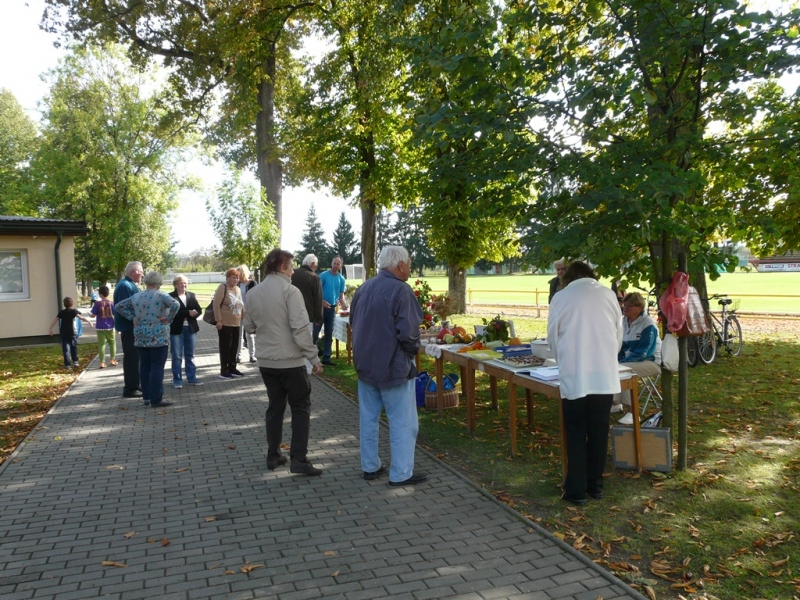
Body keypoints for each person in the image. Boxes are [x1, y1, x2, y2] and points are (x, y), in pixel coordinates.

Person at [547, 260, 623, 505]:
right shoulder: (609, 295)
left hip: (576, 374)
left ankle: (576, 490)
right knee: (599, 431)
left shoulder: (561, 297)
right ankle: (595, 485)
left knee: (576, 432)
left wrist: (565, 361)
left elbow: (553, 339)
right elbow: (618, 335)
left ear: (567, 278)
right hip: (603, 375)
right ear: (592, 275)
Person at [349, 245, 427, 486]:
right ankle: (401, 473)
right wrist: (412, 351)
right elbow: (409, 333)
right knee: (403, 422)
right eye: (409, 264)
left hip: (366, 364)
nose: (410, 268)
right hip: (393, 367)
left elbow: (353, 321)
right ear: (401, 265)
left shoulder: (364, 288)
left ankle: (370, 466)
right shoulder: (401, 291)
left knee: (369, 419)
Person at [243, 249, 324, 476]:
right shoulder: (290, 291)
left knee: (275, 407)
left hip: (267, 361)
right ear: (281, 267)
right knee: (300, 408)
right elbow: (300, 329)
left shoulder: (253, 293)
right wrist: (314, 358)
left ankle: (273, 454)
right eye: (290, 267)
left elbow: (248, 326)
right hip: (290, 361)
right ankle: (299, 458)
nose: (292, 272)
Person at [115, 271, 179, 407]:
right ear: (159, 283)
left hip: (141, 335)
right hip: (158, 336)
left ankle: (146, 397)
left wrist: (132, 316)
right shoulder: (161, 295)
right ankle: (156, 398)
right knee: (157, 367)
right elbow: (175, 305)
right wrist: (168, 319)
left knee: (144, 366)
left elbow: (118, 306)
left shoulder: (136, 296)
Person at [612, 292, 662, 425]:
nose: (625, 308)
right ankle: (616, 403)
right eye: (624, 305)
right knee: (614, 368)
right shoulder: (623, 321)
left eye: (630, 306)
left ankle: (633, 413)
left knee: (624, 371)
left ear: (639, 308)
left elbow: (645, 352)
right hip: (628, 360)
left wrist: (621, 362)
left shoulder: (648, 324)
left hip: (651, 361)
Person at [114, 261, 144, 398]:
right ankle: (131, 388)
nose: (143, 274)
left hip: (131, 327)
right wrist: (134, 319)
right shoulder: (126, 286)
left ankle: (135, 385)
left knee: (135, 358)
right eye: (141, 271)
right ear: (134, 272)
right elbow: (123, 307)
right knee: (132, 358)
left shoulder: (129, 285)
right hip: (129, 328)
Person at [168, 275, 204, 388]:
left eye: (185, 283)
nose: (183, 285)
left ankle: (191, 378)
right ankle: (177, 380)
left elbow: (199, 310)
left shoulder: (191, 296)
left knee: (190, 355)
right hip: (176, 330)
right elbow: (171, 313)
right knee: (177, 356)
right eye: (180, 283)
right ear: (175, 285)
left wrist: (193, 314)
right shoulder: (170, 297)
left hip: (191, 328)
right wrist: (187, 313)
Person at [214, 268, 245, 380]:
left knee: (234, 346)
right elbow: (216, 304)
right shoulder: (223, 287)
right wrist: (219, 320)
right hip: (225, 322)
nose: (236, 279)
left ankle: (232, 367)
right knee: (225, 346)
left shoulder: (237, 289)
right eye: (233, 277)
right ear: (227, 278)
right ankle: (224, 370)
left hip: (236, 322)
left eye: (237, 277)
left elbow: (241, 304)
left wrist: (243, 315)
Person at [318, 256, 348, 366]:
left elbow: (341, 295)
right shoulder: (323, 276)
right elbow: (317, 292)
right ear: (331, 264)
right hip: (321, 308)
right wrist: (322, 302)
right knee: (315, 332)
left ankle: (326, 357)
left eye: (338, 264)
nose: (336, 265)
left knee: (329, 333)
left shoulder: (341, 279)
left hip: (332, 309)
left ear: (341, 266)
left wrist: (344, 305)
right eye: (334, 263)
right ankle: (312, 358)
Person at [49, 297, 93, 369]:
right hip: (72, 333)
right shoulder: (74, 311)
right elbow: (81, 318)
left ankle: (67, 364)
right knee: (73, 347)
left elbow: (55, 320)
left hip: (64, 333)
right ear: (72, 304)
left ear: (64, 304)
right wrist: (89, 321)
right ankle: (75, 361)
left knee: (66, 349)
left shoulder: (61, 312)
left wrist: (50, 328)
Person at [291, 254, 323, 344]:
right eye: (316, 266)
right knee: (306, 343)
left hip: (291, 314)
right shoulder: (315, 278)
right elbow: (318, 299)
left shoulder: (292, 274)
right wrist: (319, 318)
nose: (316, 268)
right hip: (307, 316)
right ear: (312, 264)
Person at [90, 285, 117, 368]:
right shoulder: (111, 303)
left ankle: (102, 362)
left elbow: (93, 315)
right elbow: (115, 314)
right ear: (108, 294)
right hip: (110, 326)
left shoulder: (97, 304)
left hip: (100, 326)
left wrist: (89, 315)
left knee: (102, 344)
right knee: (112, 343)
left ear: (100, 294)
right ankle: (112, 359)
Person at [236, 265, 257, 364]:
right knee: (239, 334)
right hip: (239, 311)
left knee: (250, 334)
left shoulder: (252, 283)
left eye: (239, 274)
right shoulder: (237, 284)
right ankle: (238, 355)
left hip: (249, 312)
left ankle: (252, 355)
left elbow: (257, 296)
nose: (238, 276)